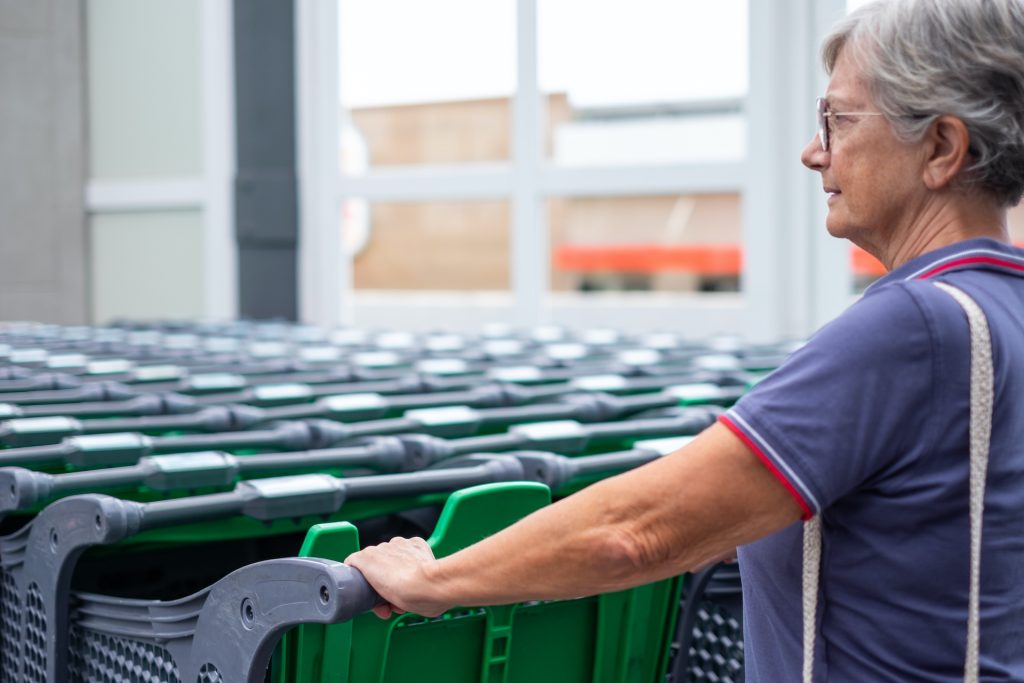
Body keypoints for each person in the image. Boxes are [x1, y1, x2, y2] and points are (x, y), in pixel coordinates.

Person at [345, 0, 1024, 679]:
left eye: (838, 120)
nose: (814, 151)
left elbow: (632, 533)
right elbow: (936, 524)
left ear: (940, 148)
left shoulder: (915, 326)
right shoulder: (1003, 309)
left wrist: (429, 579)